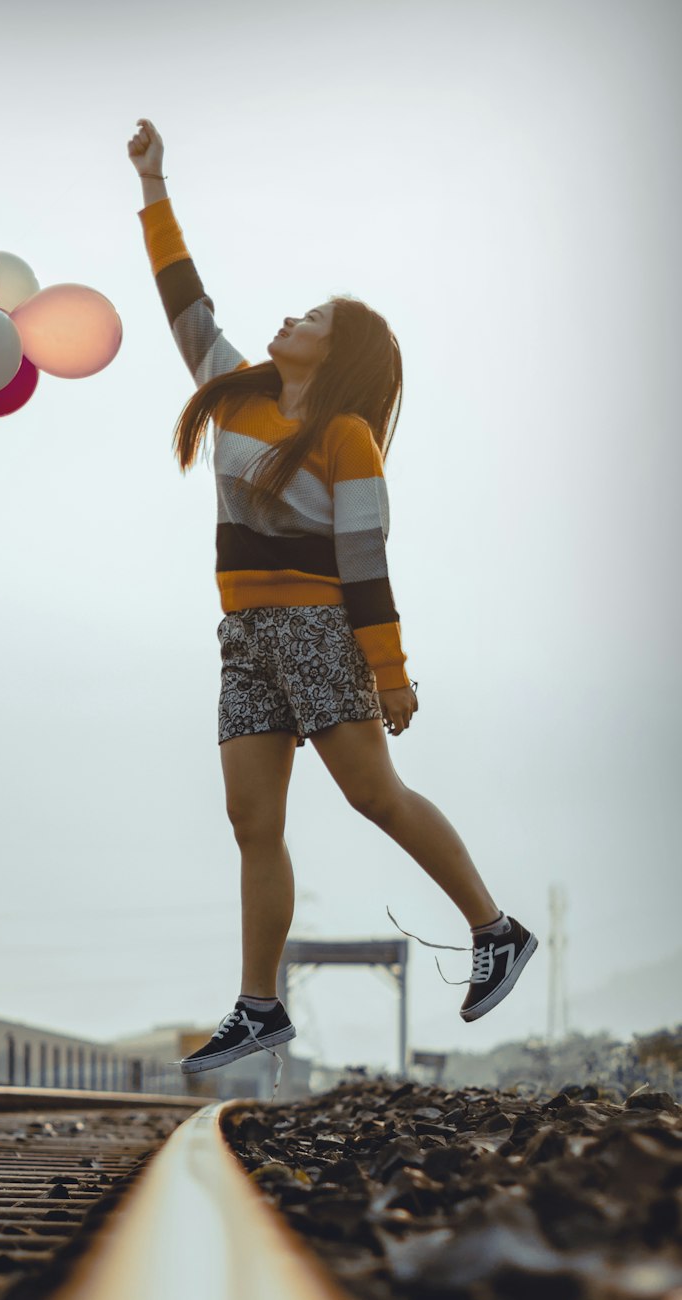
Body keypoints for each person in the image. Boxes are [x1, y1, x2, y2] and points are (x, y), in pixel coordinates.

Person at [127, 118, 537, 1077]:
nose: (289, 321)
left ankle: (497, 927)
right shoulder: (233, 393)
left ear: (337, 348)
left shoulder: (348, 435)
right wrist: (153, 184)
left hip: (321, 627)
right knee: (249, 819)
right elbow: (181, 295)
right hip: (244, 636)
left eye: (310, 318)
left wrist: (389, 671)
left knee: (372, 796)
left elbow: (365, 560)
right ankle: (260, 1005)